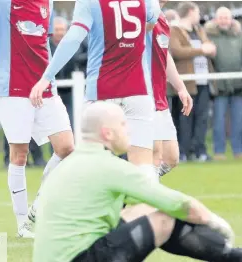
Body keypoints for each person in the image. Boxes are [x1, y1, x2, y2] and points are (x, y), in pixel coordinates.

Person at [33, 101, 242, 262]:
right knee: (164, 218)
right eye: (125, 126)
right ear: (107, 132)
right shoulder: (109, 166)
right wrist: (218, 223)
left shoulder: (73, 163)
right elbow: (181, 205)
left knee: (144, 210)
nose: (130, 131)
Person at [30, 0, 162, 214]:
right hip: (138, 90)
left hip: (102, 92)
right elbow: (152, 21)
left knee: (87, 161)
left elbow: (73, 38)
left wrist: (47, 76)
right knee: (143, 168)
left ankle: (43, 207)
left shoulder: (90, 2)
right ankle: (136, 229)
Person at [0, 0, 74, 238]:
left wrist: (47, 78)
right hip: (13, 90)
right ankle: (23, 224)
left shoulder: (48, 3)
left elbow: (43, 42)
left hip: (45, 88)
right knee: (20, 154)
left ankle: (40, 204)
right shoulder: (4, 3)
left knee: (67, 148)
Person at [146, 0, 192, 177]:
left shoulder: (162, 17)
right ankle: (142, 199)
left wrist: (180, 87)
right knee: (153, 155)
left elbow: (163, 54)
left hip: (159, 96)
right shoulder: (143, 14)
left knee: (171, 158)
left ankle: (130, 193)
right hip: (141, 94)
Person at [169, 1, 216, 162]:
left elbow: (211, 47)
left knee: (202, 118)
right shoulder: (173, 30)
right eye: (197, 12)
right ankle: (182, 151)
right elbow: (176, 51)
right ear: (190, 11)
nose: (199, 16)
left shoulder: (199, 30)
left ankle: (200, 151)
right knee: (184, 118)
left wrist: (207, 48)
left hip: (203, 81)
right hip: (186, 82)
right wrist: (201, 50)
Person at [205, 7, 242, 160]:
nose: (224, 20)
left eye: (226, 17)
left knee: (238, 120)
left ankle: (238, 150)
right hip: (219, 85)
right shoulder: (209, 34)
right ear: (216, 19)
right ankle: (219, 151)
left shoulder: (240, 35)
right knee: (218, 121)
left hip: (238, 84)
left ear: (231, 19)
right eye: (221, 17)